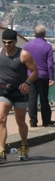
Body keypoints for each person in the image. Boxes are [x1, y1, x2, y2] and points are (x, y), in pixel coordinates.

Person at [0, 29, 38, 162]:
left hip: (20, 93)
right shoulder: (0, 52)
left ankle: (24, 145)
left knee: (20, 121)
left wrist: (27, 83)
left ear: (15, 41)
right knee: (1, 118)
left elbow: (35, 71)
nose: (6, 45)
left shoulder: (23, 54)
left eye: (9, 42)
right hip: (4, 92)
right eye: (4, 42)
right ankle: (1, 150)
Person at [23, 25, 55, 127]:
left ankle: (33, 121)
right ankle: (46, 120)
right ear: (44, 34)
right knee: (43, 98)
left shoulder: (27, 45)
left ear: (34, 33)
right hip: (43, 75)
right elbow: (50, 64)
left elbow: (23, 61)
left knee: (32, 98)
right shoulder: (48, 46)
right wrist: (51, 77)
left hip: (30, 75)